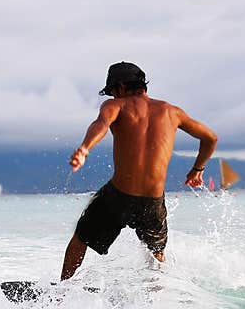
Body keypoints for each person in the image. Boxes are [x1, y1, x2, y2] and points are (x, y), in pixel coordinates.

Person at [61, 62, 218, 280]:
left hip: (118, 196)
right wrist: (197, 169)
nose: (113, 97)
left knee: (81, 238)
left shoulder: (116, 106)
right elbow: (210, 138)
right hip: (152, 201)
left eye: (112, 92)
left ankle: (62, 290)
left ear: (121, 86)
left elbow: (101, 124)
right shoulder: (172, 112)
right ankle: (157, 297)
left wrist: (85, 149)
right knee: (156, 254)